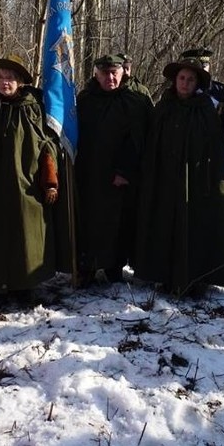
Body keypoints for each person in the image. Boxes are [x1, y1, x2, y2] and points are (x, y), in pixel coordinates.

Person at [135, 57, 224, 294]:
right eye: (181, 78)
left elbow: (214, 148)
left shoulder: (205, 110)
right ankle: (163, 274)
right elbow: (152, 145)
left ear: (196, 83)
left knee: (192, 227)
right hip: (165, 180)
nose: (185, 83)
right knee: (164, 226)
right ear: (175, 80)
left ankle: (194, 277)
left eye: (190, 80)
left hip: (196, 182)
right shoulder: (163, 107)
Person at [0, 54, 59, 303]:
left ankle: (24, 286)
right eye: (1, 77)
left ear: (19, 81)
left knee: (25, 237)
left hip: (25, 186)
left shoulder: (32, 108)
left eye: (10, 78)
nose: (5, 82)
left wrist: (50, 181)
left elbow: (46, 145)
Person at [76, 54, 152, 283]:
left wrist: (125, 170)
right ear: (96, 75)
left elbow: (140, 138)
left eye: (114, 73)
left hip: (120, 174)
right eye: (105, 73)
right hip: (89, 171)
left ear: (123, 73)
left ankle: (114, 267)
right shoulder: (86, 99)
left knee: (118, 222)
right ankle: (87, 266)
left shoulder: (134, 100)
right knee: (89, 221)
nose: (110, 77)